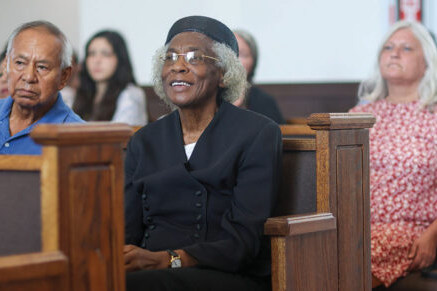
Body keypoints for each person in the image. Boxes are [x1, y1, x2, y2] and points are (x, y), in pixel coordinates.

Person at [124, 16, 282, 291]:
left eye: (194, 58)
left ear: (222, 74)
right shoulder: (143, 141)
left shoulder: (257, 133)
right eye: (170, 58)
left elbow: (242, 242)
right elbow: (125, 230)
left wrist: (168, 260)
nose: (178, 67)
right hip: (149, 270)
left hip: (225, 273)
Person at [350, 21, 437, 288]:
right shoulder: (358, 116)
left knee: (347, 256)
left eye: (406, 48)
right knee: (314, 246)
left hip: (413, 230)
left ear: (428, 62)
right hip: (357, 227)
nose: (394, 53)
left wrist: (434, 233)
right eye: (388, 47)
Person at [0, 20, 83, 155]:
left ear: (64, 76)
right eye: (20, 63)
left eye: (42, 67)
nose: (28, 77)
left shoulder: (78, 137)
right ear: (6, 64)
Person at [72, 30, 148, 126]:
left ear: (119, 59)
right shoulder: (83, 95)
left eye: (105, 54)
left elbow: (119, 136)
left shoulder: (131, 94)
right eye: (92, 54)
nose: (97, 60)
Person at [232, 29, 285, 124]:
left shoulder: (265, 102)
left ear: (253, 62)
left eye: (242, 55)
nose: (235, 60)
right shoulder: (208, 97)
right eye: (231, 53)